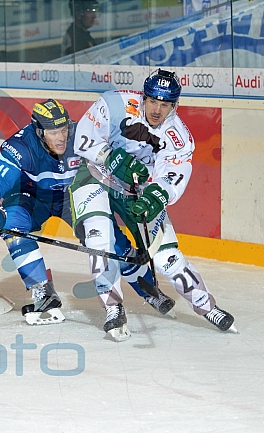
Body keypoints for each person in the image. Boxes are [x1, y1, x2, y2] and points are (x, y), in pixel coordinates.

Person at [70, 68, 236, 340]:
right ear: (143, 96)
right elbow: (84, 137)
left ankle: (207, 306)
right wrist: (111, 157)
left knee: (165, 257)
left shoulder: (178, 137)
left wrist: (155, 195)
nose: (157, 110)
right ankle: (113, 307)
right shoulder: (115, 103)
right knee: (100, 237)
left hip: (138, 190)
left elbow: (172, 175)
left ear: (174, 105)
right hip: (95, 177)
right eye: (153, 101)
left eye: (165, 104)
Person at [0, 99, 170, 325]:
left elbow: (111, 163)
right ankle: (43, 292)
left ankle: (149, 290)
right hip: (33, 197)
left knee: (110, 241)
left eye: (64, 129)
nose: (61, 137)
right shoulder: (21, 147)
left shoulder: (81, 134)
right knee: (13, 226)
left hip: (72, 196)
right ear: (39, 132)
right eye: (53, 132)